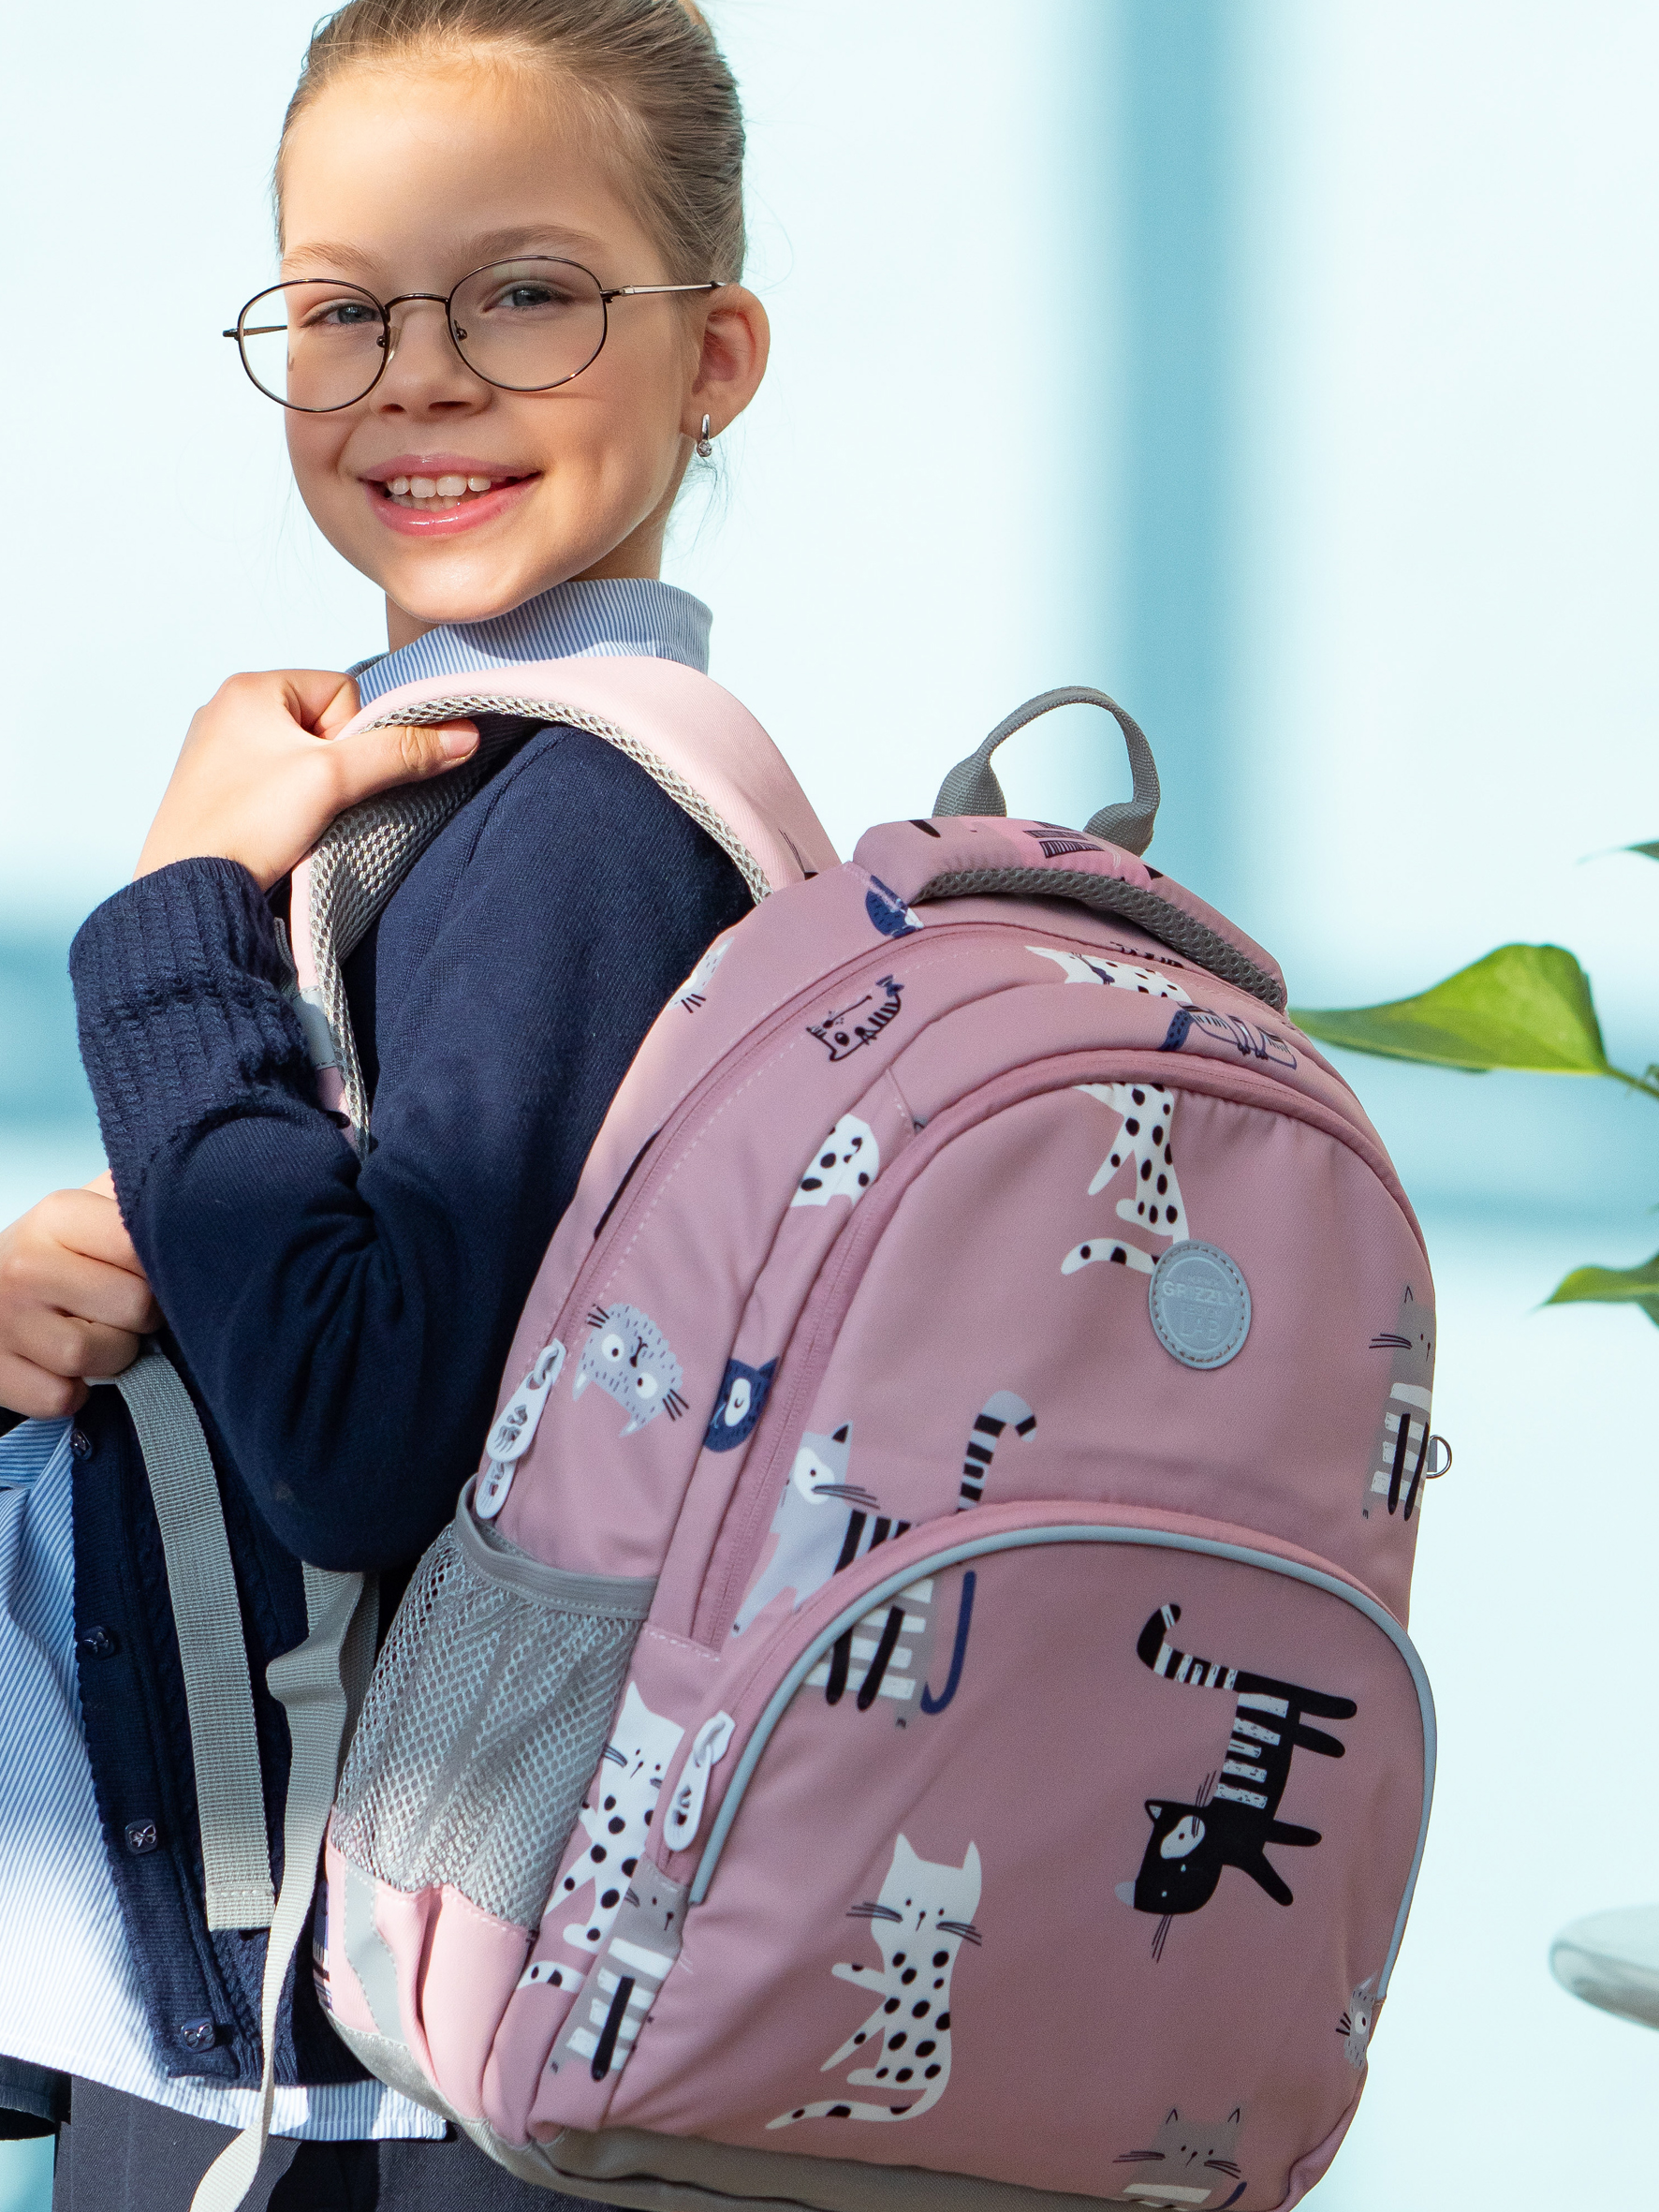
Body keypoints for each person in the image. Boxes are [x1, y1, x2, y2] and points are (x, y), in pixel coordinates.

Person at [0, 2, 782, 2203]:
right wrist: (105, 1301)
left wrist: (172, 919)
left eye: (524, 292)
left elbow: (356, 1436)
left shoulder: (584, 824)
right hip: (366, 2016)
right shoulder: (465, 794)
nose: (418, 374)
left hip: (390, 2065)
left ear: (714, 355)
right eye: (344, 309)